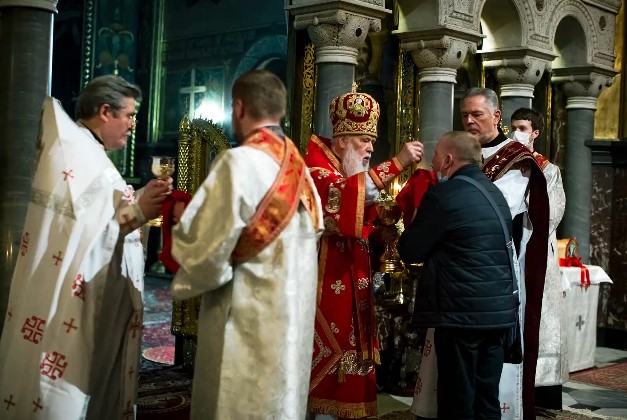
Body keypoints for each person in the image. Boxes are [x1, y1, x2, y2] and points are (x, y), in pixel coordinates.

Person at [0, 75, 170, 419]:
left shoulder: (86, 152)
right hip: (68, 299)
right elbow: (83, 231)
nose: (133, 125)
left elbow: (95, 217)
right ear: (105, 111)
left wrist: (138, 203)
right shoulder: (76, 152)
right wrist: (138, 210)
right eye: (128, 115)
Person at [170, 70, 324, 419]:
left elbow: (207, 251)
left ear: (239, 108)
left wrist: (183, 223)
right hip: (290, 325)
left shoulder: (238, 163)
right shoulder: (300, 172)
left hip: (244, 321)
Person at [410, 88, 549, 420]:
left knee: (475, 390)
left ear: (497, 117)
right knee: (459, 385)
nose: (470, 121)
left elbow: (502, 209)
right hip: (458, 283)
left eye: (478, 114)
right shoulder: (459, 155)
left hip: (494, 276)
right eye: (464, 115)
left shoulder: (515, 157)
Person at [305, 91, 423, 419]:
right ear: (341, 141)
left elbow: (360, 210)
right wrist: (397, 162)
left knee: (355, 353)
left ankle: (350, 412)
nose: (370, 147)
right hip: (323, 285)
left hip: (352, 282)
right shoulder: (317, 168)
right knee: (332, 355)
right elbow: (344, 199)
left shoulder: (343, 168)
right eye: (363, 140)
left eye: (372, 140)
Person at [398, 131, 517, 419]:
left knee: (457, 399)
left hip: (461, 313)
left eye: (436, 155)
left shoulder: (442, 195)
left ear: (449, 159)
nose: (433, 162)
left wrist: (413, 223)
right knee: (486, 396)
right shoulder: (495, 193)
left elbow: (411, 250)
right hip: (498, 313)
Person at [511, 107, 568, 409]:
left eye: (522, 127)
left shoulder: (549, 171)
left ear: (535, 133)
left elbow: (553, 215)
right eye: (513, 127)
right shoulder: (502, 164)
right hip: (508, 248)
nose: (516, 132)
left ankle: (540, 391)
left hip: (537, 251)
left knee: (539, 317)